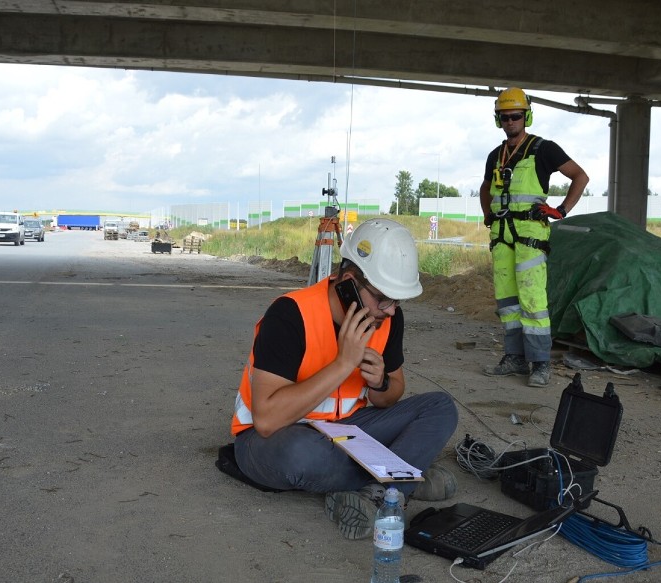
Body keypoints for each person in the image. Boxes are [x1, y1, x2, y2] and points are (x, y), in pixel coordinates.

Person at [230, 218, 458, 540]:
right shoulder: (290, 314)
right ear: (349, 282)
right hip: (275, 440)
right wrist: (342, 364)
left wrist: (380, 383)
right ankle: (401, 477)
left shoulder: (387, 318)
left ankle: (384, 486)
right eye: (382, 298)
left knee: (440, 407)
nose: (390, 310)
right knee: (301, 455)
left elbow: (391, 394)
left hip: (350, 432)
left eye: (397, 301)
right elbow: (266, 420)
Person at [480, 87, 589, 387]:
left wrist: (562, 210)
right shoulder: (495, 155)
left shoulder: (544, 148)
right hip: (502, 238)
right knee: (508, 303)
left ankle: (540, 364)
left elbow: (580, 176)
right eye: (504, 117)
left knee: (532, 300)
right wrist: (488, 214)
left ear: (525, 116)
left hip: (530, 236)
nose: (510, 122)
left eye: (515, 116)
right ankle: (514, 358)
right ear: (498, 120)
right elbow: (485, 187)